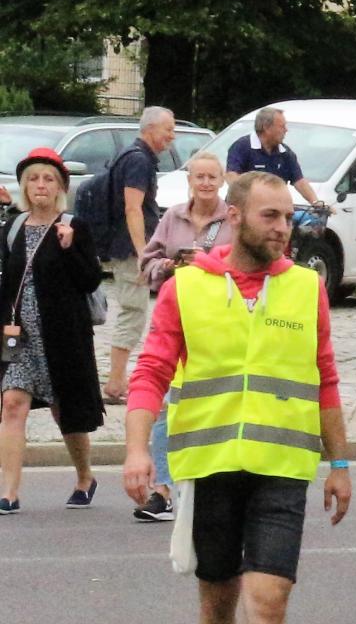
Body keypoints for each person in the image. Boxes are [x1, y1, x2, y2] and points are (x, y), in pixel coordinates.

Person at [121, 171, 354, 624]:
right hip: (211, 467)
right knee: (218, 599)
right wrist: (139, 450)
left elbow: (325, 378)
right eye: (271, 216)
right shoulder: (188, 287)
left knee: (269, 600)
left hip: (282, 468)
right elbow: (150, 370)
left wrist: (341, 463)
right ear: (236, 216)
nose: (284, 228)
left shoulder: (306, 289)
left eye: (288, 218)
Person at [2, 148, 106, 513]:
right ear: (24, 186)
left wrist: (69, 248)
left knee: (66, 411)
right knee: (12, 404)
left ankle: (84, 476)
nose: (40, 185)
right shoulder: (13, 227)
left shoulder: (74, 225)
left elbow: (90, 280)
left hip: (62, 337)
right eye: (33, 179)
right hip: (21, 338)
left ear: (60, 186)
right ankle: (9, 492)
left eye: (48, 178)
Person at [133, 150, 231, 522]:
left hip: (219, 321)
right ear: (189, 180)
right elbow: (147, 261)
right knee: (162, 402)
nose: (205, 183)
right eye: (199, 176)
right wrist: (172, 266)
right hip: (175, 317)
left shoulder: (233, 217)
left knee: (208, 401)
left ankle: (210, 481)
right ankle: (162, 490)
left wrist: (210, 264)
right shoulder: (173, 216)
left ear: (222, 180)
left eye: (212, 176)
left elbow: (249, 266)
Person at [99, 106, 177, 402]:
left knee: (134, 310)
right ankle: (116, 384)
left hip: (124, 246)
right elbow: (133, 208)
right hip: (129, 249)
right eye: (168, 129)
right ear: (150, 130)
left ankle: (118, 379)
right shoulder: (138, 161)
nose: (172, 135)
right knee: (133, 311)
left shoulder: (133, 155)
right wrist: (144, 254)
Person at [225, 106, 332, 211]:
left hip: (274, 211)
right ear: (266, 127)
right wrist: (250, 197)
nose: (286, 130)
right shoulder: (242, 147)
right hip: (245, 211)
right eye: (282, 126)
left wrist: (316, 203)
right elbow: (231, 176)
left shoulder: (285, 153)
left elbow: (299, 181)